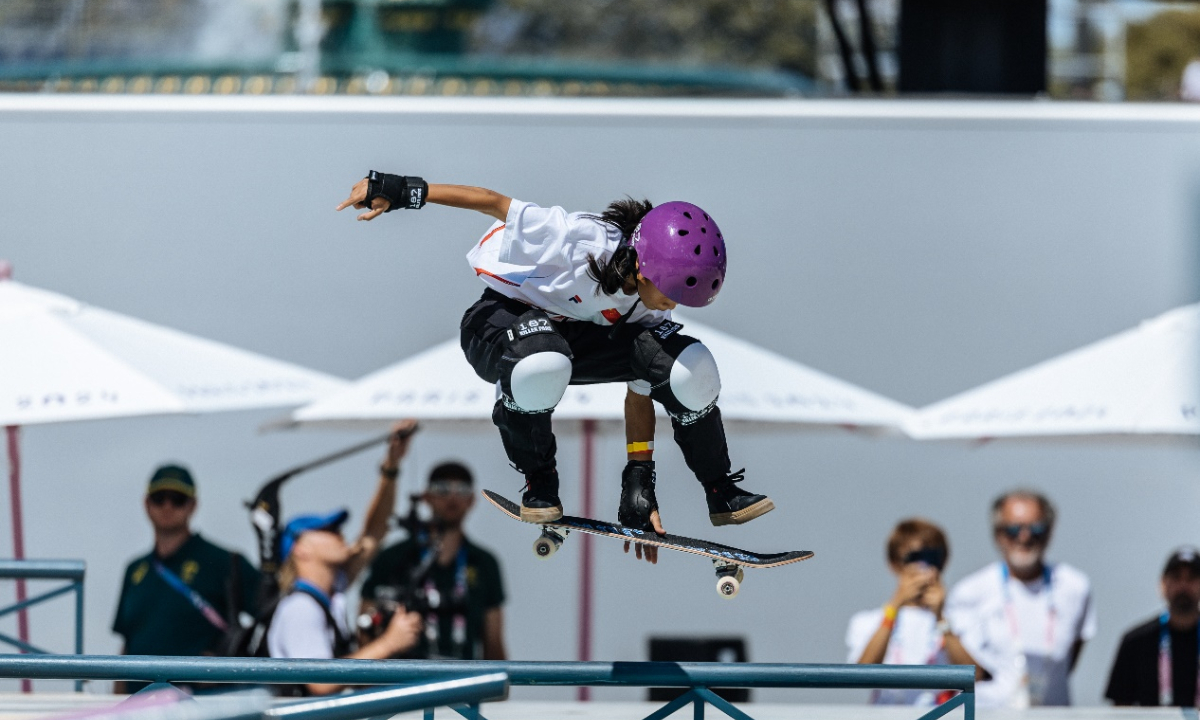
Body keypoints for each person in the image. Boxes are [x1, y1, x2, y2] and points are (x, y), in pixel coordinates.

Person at [337, 174, 773, 560]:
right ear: (642, 265)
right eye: (669, 293)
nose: (671, 304)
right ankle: (538, 477)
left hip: (573, 341)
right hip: (496, 324)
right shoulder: (580, 239)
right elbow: (492, 201)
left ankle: (720, 490)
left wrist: (639, 477)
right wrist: (404, 190)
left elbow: (640, 386)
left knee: (689, 368)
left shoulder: (647, 302)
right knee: (541, 364)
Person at [267, 421, 424, 696]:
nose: (339, 533)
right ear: (300, 550)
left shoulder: (330, 591)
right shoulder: (301, 609)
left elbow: (374, 532)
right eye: (326, 530)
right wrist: (389, 643)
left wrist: (391, 464)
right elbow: (322, 682)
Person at [112, 464, 260, 693]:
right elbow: (127, 648)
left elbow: (274, 619)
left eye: (178, 499)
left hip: (205, 707)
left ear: (192, 505)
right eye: (159, 498)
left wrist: (228, 665)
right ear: (147, 504)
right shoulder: (134, 570)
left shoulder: (226, 561)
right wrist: (116, 707)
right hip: (139, 707)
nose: (167, 506)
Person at [945, 490, 1096, 708]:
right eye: (1013, 529)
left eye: (1036, 528)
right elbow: (969, 671)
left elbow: (1069, 658)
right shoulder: (969, 592)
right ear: (998, 534)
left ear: (1050, 531)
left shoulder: (1075, 586)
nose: (1024, 537)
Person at [360, 461, 506, 660]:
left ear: (471, 499)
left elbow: (494, 643)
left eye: (462, 489)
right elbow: (364, 631)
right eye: (442, 488)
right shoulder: (393, 557)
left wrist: (496, 686)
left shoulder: (484, 562)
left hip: (464, 686)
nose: (452, 497)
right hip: (401, 684)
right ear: (427, 497)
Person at [846, 518, 979, 705]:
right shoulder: (867, 621)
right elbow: (859, 677)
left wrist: (941, 618)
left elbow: (977, 677)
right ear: (894, 563)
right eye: (914, 558)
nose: (924, 567)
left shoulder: (964, 618)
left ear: (944, 561)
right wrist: (894, 607)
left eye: (933, 558)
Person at [1105, 547, 1200, 707]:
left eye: (1191, 578)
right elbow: (1120, 707)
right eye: (1176, 578)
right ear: (1163, 585)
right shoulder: (1136, 642)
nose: (1183, 585)